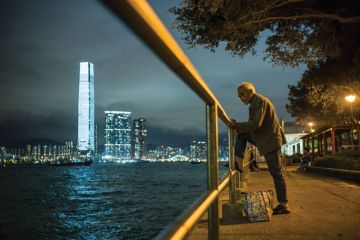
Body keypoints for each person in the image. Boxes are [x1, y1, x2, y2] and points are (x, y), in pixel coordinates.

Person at [232, 82, 290, 215]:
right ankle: (238, 160)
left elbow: (255, 124)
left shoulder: (259, 102)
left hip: (270, 141)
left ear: (251, 92)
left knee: (277, 173)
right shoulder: (255, 102)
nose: (241, 98)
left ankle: (284, 204)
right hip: (265, 138)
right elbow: (253, 126)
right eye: (239, 96)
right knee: (242, 134)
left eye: (243, 95)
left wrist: (237, 125)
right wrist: (239, 127)